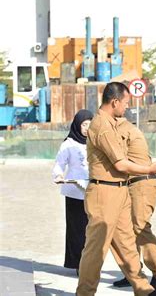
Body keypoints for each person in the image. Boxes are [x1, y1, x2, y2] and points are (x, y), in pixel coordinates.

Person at [76, 82, 156, 296]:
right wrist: (149, 169)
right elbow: (120, 164)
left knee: (126, 244)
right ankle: (84, 293)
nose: (127, 107)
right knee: (96, 251)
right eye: (125, 103)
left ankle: (144, 289)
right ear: (114, 102)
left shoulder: (112, 124)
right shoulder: (102, 126)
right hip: (104, 194)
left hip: (119, 191)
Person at [111, 119, 156, 294]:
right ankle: (133, 272)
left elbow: (118, 161)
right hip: (135, 183)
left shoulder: (124, 131)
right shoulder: (123, 130)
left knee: (140, 227)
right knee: (128, 229)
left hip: (141, 183)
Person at [52, 109, 93, 273]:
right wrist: (58, 175)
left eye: (90, 124)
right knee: (77, 229)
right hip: (74, 191)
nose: (87, 128)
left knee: (92, 229)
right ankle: (78, 263)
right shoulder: (68, 144)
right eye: (84, 124)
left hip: (93, 189)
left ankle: (91, 262)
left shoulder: (96, 141)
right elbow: (59, 164)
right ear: (77, 125)